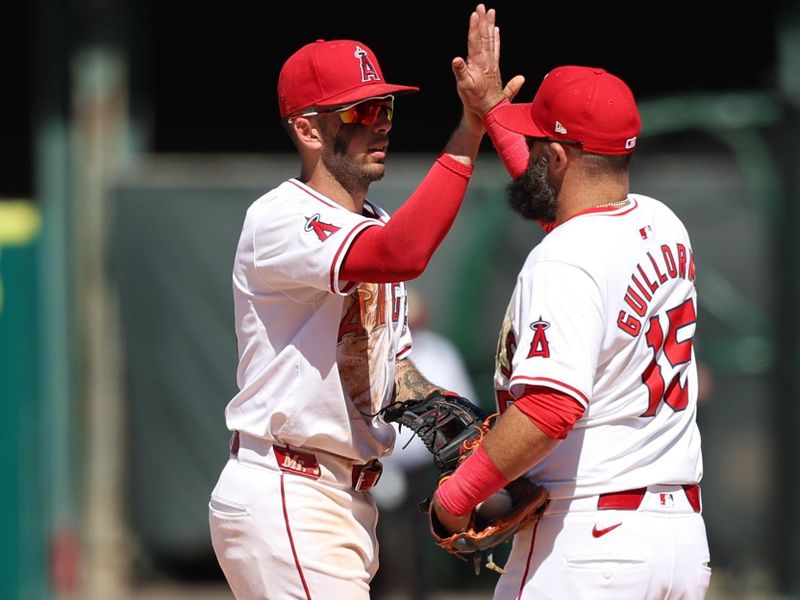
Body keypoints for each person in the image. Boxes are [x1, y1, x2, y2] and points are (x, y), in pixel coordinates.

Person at [207, 6, 509, 599]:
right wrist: (470, 130)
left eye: (386, 107)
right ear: (309, 129)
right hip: (289, 487)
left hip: (346, 497)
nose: (381, 123)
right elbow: (403, 254)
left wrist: (481, 452)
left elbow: (388, 369)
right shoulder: (278, 218)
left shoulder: (373, 220)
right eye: (360, 110)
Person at [429, 29, 712, 600]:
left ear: (557, 157)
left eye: (536, 143)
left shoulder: (563, 258)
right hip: (679, 540)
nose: (526, 148)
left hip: (590, 544)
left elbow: (552, 407)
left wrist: (454, 500)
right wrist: (494, 111)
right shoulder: (663, 223)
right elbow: (566, 212)